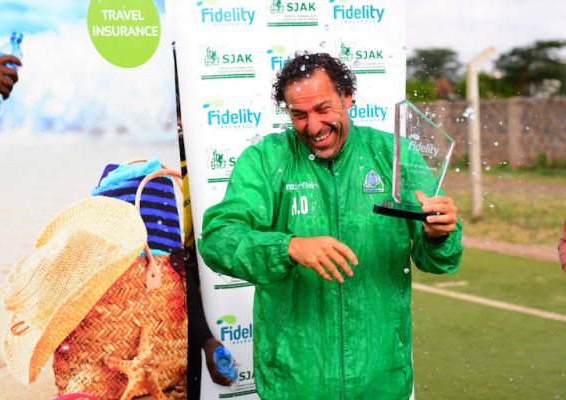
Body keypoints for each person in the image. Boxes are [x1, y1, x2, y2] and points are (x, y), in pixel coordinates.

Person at [198, 52, 463, 399]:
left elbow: (439, 260)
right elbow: (219, 239)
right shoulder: (267, 159)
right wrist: (289, 247)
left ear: (348, 97)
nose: (313, 126)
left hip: (381, 380)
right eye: (299, 115)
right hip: (295, 383)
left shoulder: (393, 154)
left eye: (323, 109)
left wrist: (438, 234)